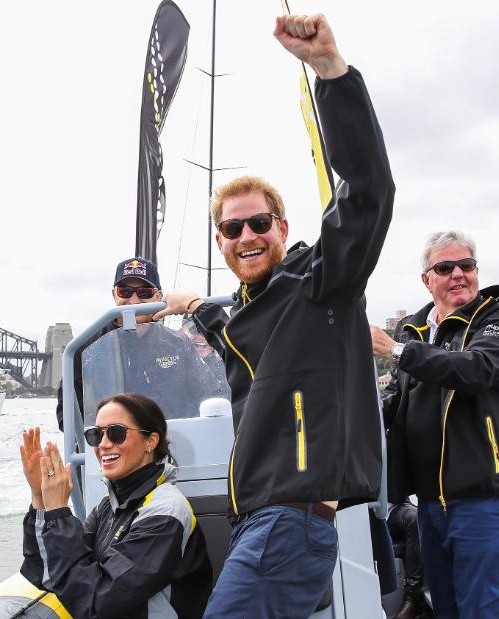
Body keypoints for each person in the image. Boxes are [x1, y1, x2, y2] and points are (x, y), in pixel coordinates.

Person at [154, 13, 394, 617]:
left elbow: (367, 191)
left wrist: (330, 72)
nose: (247, 235)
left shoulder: (322, 288)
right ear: (221, 242)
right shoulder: (238, 313)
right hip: (258, 521)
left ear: (282, 228)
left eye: (259, 223)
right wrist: (184, 304)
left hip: (289, 522)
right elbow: (227, 315)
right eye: (232, 228)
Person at [371, 230, 499, 618]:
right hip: (431, 504)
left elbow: (476, 369)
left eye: (467, 265)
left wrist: (394, 350)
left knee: (486, 611)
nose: (459, 274)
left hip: (487, 498)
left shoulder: (497, 318)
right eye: (445, 267)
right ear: (427, 280)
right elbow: (398, 402)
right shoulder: (414, 330)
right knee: (446, 608)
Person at [20, 393, 212, 619]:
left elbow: (96, 601)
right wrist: (40, 498)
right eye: (96, 434)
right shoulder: (109, 507)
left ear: (150, 441)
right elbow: (48, 574)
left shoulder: (165, 513)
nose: (103, 444)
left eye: (116, 433)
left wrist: (58, 512)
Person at [55, 257, 210, 430]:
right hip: (114, 447)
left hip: (173, 443)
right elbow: (67, 417)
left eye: (144, 292)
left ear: (158, 296)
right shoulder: (85, 348)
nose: (134, 300)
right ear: (114, 294)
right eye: (125, 291)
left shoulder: (179, 343)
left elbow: (204, 397)